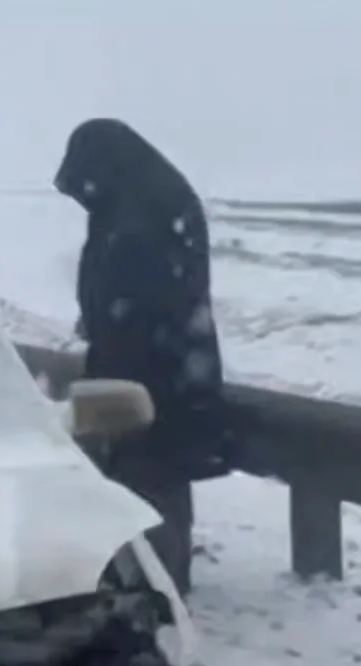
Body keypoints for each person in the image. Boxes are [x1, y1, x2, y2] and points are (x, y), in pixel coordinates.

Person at [54, 118, 234, 594]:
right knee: (148, 485)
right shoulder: (142, 199)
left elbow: (147, 301)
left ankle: (161, 604)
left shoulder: (144, 213)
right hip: (157, 373)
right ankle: (151, 594)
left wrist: (112, 334)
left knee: (154, 485)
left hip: (157, 379)